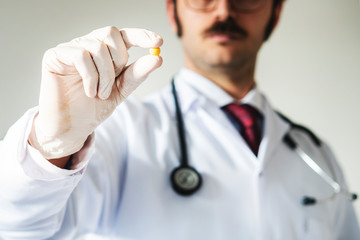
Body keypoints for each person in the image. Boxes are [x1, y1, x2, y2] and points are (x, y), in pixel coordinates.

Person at [0, 0, 359, 239]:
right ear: (173, 13)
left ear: (275, 14)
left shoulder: (317, 156)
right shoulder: (121, 132)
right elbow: (21, 227)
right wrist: (53, 145)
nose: (224, 9)